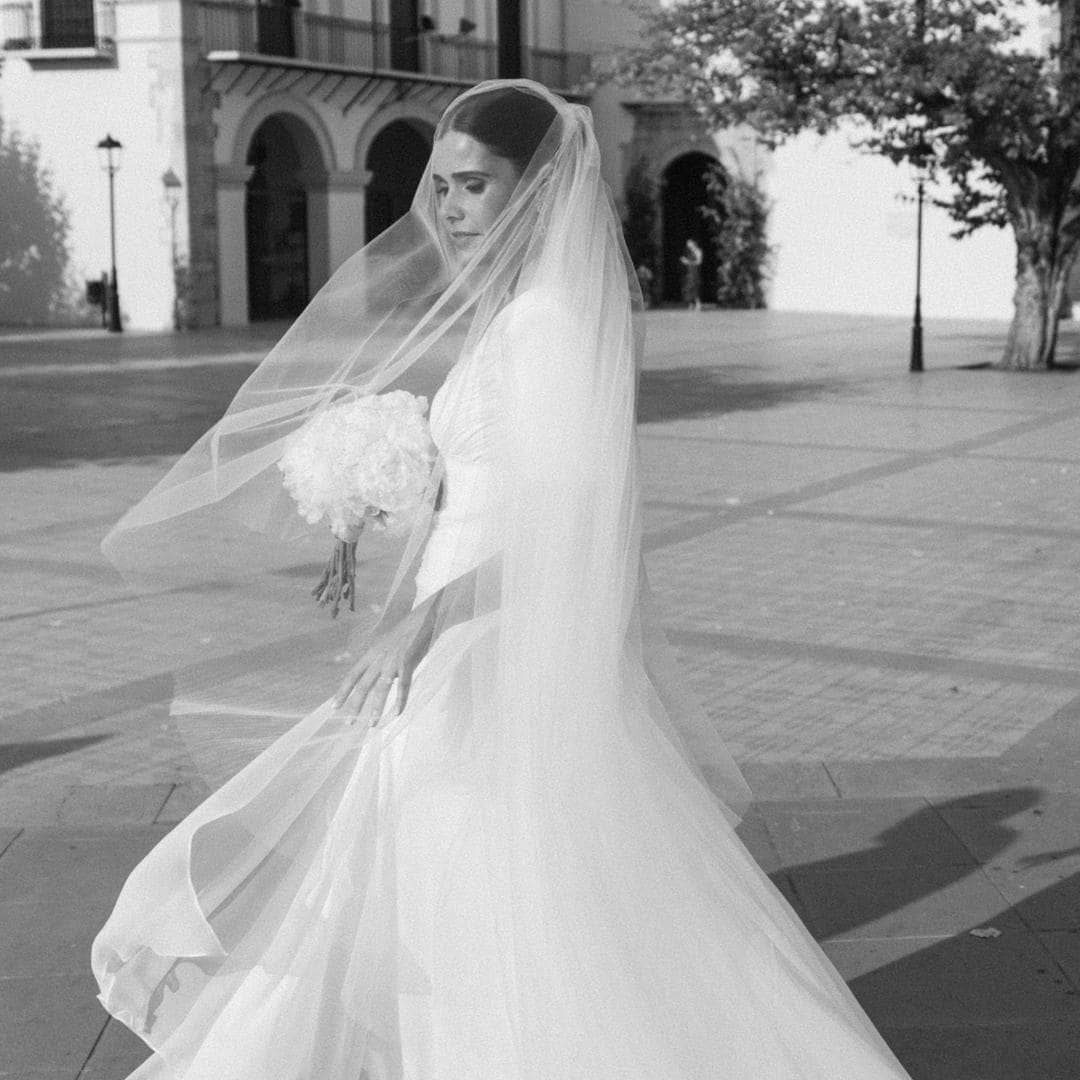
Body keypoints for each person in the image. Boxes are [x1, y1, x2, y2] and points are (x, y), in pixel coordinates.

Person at [91, 81, 912, 1079]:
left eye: (474, 186)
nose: (447, 209)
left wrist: (423, 620)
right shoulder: (511, 317)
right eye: (439, 186)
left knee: (464, 850)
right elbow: (487, 482)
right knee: (451, 853)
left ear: (536, 191)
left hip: (486, 634)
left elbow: (563, 519)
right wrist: (380, 496)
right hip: (454, 627)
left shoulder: (547, 327)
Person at [680, 236, 703, 310]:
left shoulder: (698, 251)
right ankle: (691, 304)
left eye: (689, 243)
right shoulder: (689, 252)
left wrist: (687, 262)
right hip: (689, 272)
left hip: (695, 272)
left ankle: (698, 303)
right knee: (689, 287)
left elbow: (699, 262)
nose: (688, 244)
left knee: (694, 287)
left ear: (693, 243)